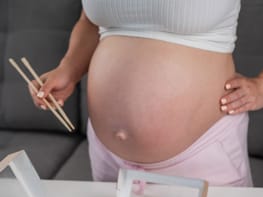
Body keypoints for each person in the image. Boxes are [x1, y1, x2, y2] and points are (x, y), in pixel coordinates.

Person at [29, 0, 263, 186]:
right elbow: (90, 22)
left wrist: (261, 87)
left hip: (203, 151)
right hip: (109, 157)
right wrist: (68, 69)